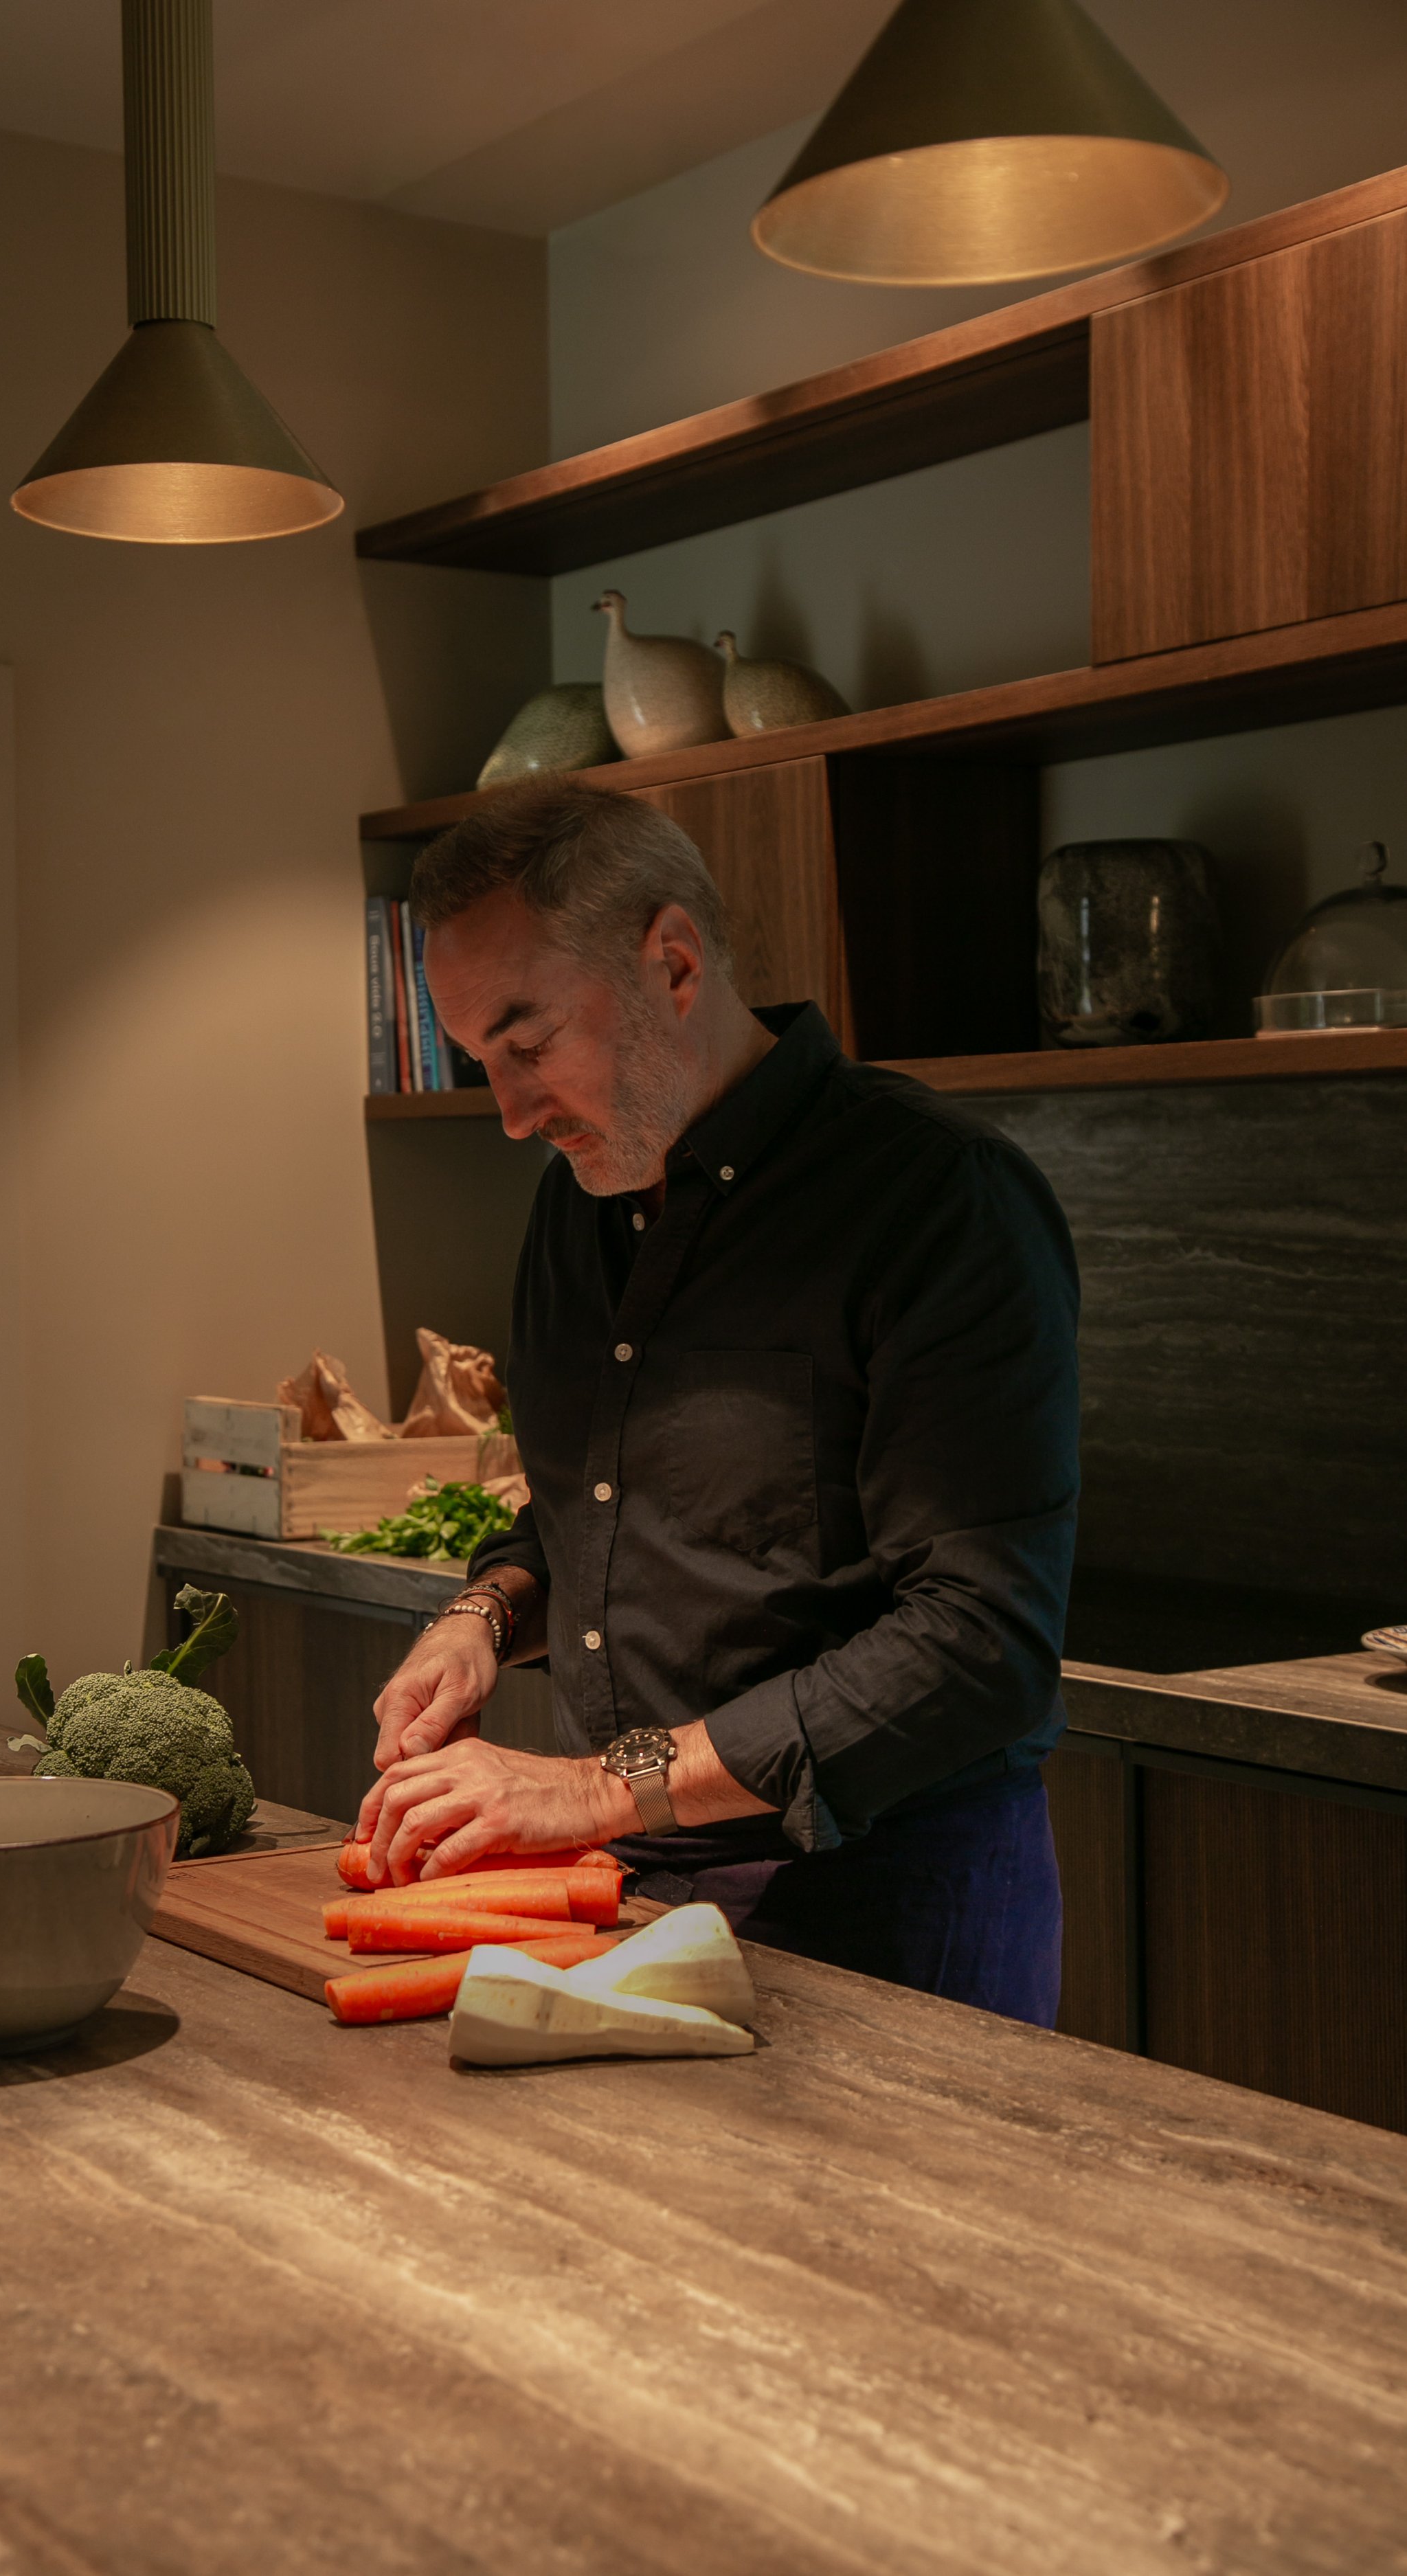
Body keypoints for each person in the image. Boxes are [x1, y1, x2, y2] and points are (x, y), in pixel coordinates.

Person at [355, 780, 1079, 2024]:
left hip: (887, 1906)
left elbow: (978, 1644)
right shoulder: (575, 1203)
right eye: (484, 1063)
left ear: (674, 965)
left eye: (528, 1045)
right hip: (628, 1896)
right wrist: (482, 1611)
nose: (514, 1113)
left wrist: (593, 1788)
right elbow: (592, 1506)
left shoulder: (938, 1201)